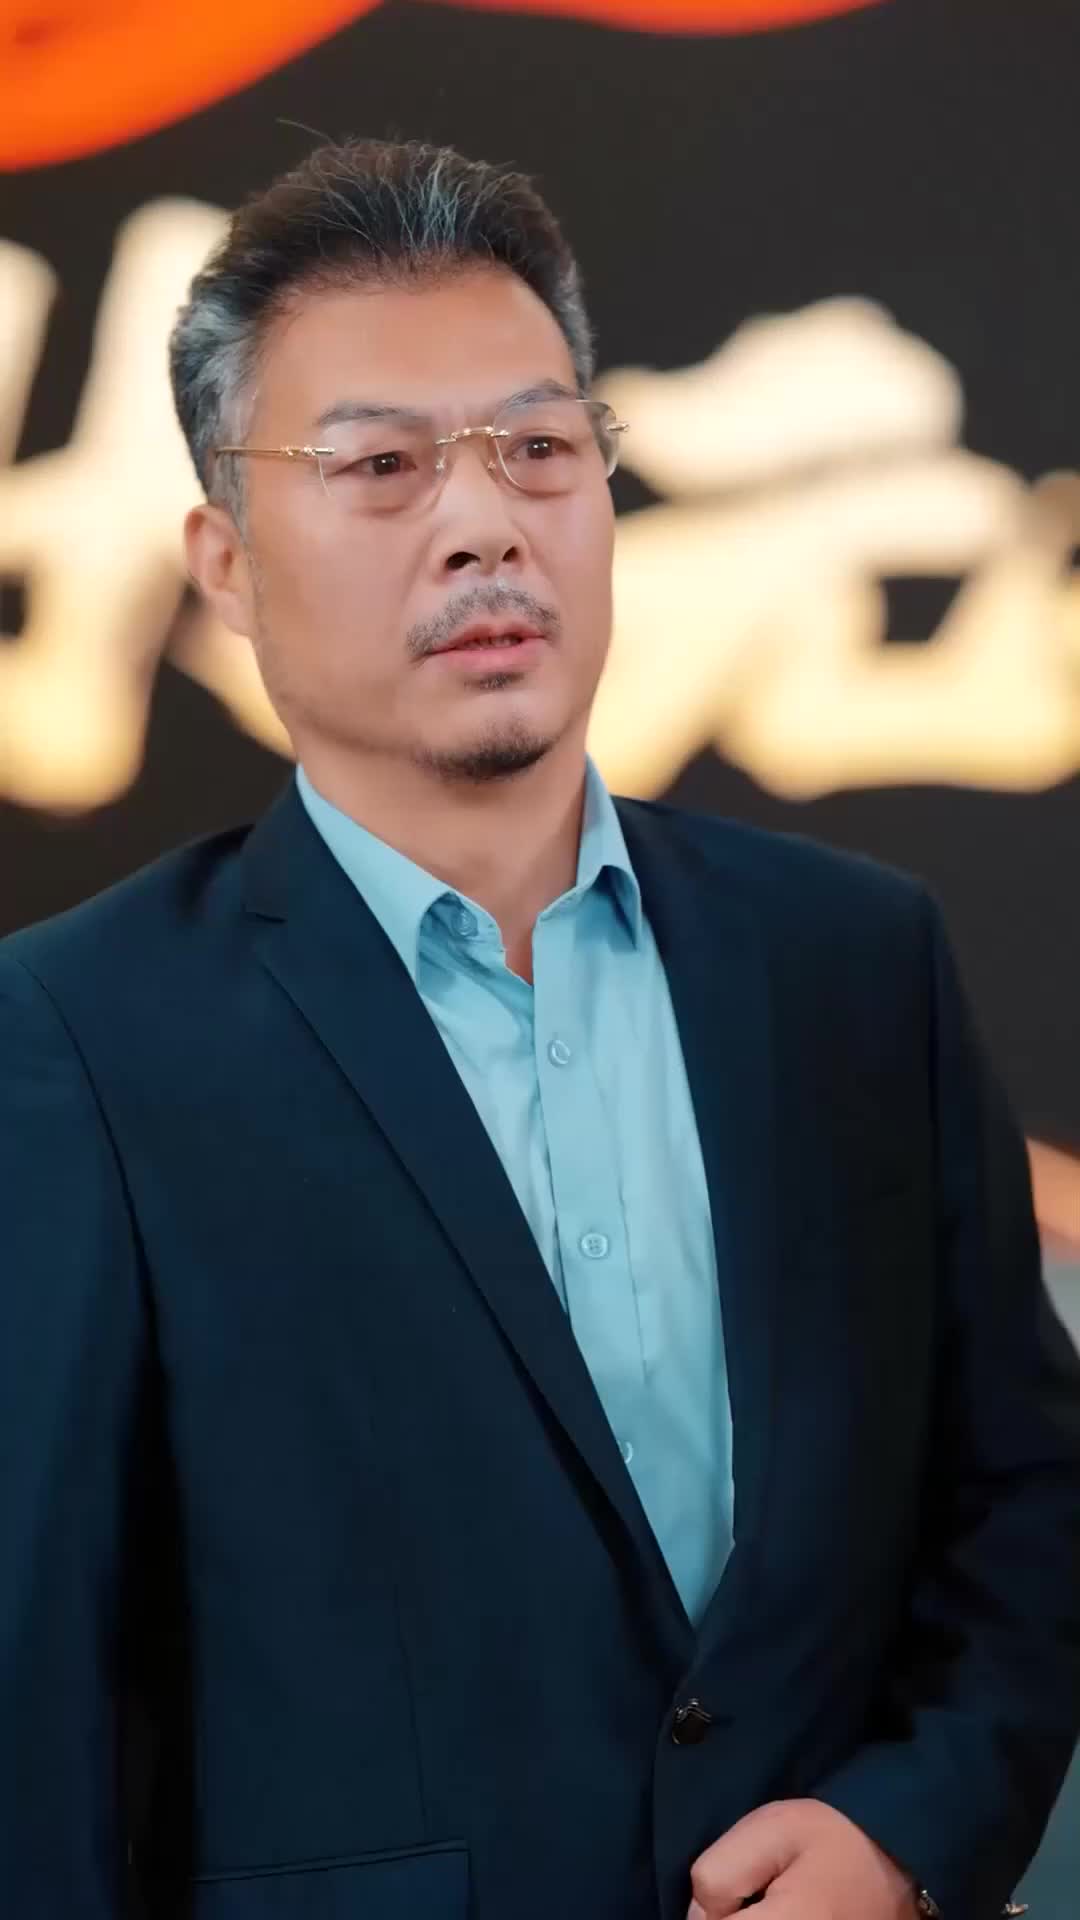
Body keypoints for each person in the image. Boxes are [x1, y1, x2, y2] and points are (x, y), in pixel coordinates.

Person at [1, 138, 1078, 1920]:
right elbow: (36, 1713)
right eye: (381, 466)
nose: (484, 522)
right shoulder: (80, 1038)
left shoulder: (854, 964)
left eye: (538, 448)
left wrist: (906, 1833)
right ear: (227, 561)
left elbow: (1026, 1497)